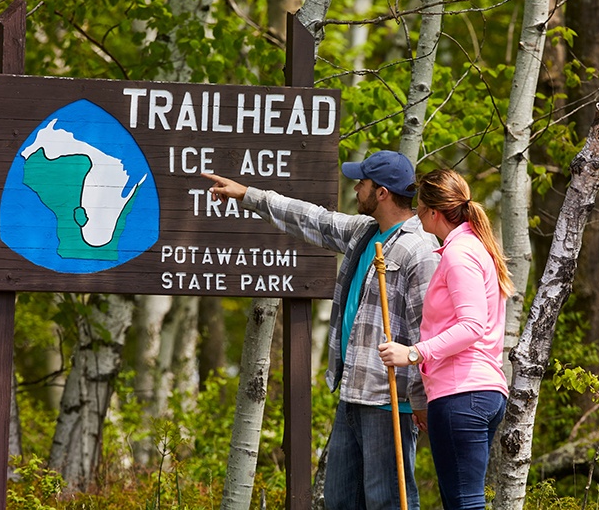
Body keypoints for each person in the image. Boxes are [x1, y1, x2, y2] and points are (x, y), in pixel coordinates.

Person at [203, 150, 439, 510]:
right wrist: (246, 194)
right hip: (352, 394)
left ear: (382, 193)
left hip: (390, 400)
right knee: (340, 501)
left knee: (387, 502)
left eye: (363, 182)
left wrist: (420, 402)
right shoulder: (365, 233)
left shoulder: (419, 250)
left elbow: (427, 332)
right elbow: (312, 218)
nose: (356, 187)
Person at [378, 168, 515, 510]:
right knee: (462, 500)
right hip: (474, 393)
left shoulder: (460, 254)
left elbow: (472, 326)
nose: (416, 214)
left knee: (464, 503)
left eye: (419, 208)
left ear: (434, 213)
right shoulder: (472, 248)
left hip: (463, 394)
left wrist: (413, 354)